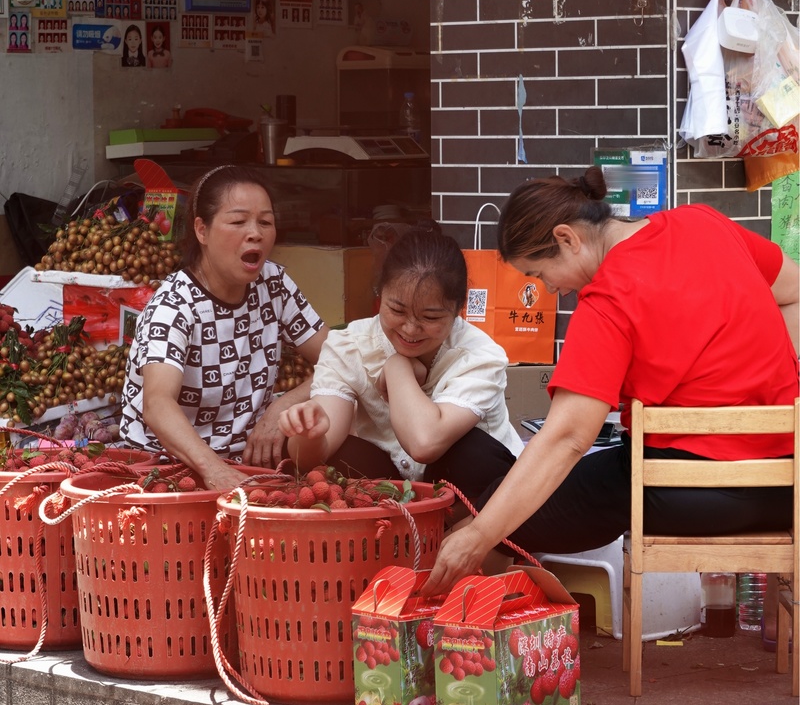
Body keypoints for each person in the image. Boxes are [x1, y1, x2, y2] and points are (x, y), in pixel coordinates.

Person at [424, 166, 799, 594]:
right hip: (787, 486)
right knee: (506, 494)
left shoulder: (608, 301)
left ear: (567, 239)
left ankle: (462, 606)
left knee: (494, 510)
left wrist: (479, 536)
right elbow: (794, 291)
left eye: (540, 275)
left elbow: (568, 438)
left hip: (686, 493)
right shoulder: (705, 220)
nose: (551, 291)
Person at [278, 223, 524, 512]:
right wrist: (308, 432)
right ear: (380, 294)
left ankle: (460, 538)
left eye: (430, 317)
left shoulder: (479, 356)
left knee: (470, 452)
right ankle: (390, 534)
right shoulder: (349, 345)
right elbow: (307, 459)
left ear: (458, 309)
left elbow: (424, 443)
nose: (410, 329)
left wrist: (397, 367)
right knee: (338, 458)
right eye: (396, 310)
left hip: (477, 504)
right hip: (392, 492)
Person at [119, 165, 329, 490]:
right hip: (169, 470)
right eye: (238, 221)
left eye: (265, 222)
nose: (255, 233)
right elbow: (158, 405)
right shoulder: (174, 305)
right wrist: (213, 471)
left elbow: (339, 359)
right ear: (201, 231)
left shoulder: (273, 283)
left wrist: (283, 405)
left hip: (247, 464)